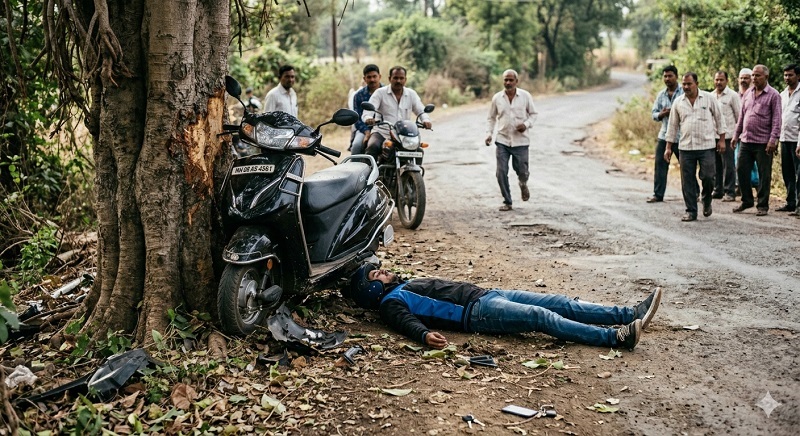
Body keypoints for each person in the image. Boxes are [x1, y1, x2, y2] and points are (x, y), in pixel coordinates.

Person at [345, 263, 663, 351]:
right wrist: (425, 335)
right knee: (543, 317)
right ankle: (616, 338)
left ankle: (630, 314)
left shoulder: (401, 285)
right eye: (377, 273)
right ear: (373, 288)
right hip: (479, 313)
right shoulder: (391, 302)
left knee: (560, 302)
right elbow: (405, 323)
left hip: (490, 294)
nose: (383, 270)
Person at [664, 72, 726, 221]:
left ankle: (706, 199)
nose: (686, 87)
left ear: (696, 84)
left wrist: (722, 140)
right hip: (685, 147)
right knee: (687, 180)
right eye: (684, 84)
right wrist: (668, 147)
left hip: (706, 146)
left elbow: (719, 119)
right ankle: (691, 211)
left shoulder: (708, 99)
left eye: (689, 84)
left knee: (709, 177)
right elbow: (672, 127)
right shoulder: (678, 102)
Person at [484, 69, 538, 212]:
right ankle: (507, 201)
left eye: (510, 80)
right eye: (505, 80)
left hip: (521, 142)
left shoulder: (525, 96)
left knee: (523, 172)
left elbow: (533, 114)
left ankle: (523, 183)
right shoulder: (497, 98)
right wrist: (489, 134)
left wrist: (525, 125)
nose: (508, 83)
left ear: (516, 81)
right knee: (501, 172)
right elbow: (491, 118)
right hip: (502, 141)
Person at [732, 64, 782, 216]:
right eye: (753, 75)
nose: (754, 78)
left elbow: (777, 120)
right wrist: (736, 135)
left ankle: (762, 205)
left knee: (764, 174)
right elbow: (741, 117)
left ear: (766, 77)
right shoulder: (748, 93)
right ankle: (747, 200)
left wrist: (773, 140)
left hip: (763, 143)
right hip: (746, 140)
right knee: (741, 169)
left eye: (757, 75)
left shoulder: (774, 95)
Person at [362, 66, 431, 161]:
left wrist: (425, 120)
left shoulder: (411, 94)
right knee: (372, 147)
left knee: (418, 150)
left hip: (403, 134)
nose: (398, 81)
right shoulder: (380, 93)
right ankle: (370, 174)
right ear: (390, 78)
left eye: (401, 78)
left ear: (405, 80)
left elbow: (421, 110)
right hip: (382, 132)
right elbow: (368, 111)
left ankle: (416, 173)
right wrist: (368, 118)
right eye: (395, 78)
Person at [648, 65, 684, 203]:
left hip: (681, 136)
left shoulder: (683, 92)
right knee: (660, 166)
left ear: (676, 76)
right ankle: (658, 194)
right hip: (664, 135)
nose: (667, 79)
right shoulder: (661, 95)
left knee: (686, 167)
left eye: (670, 76)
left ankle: (695, 193)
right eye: (665, 76)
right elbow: (653, 113)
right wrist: (661, 114)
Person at [711, 71, 741, 202]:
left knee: (728, 165)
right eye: (717, 80)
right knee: (715, 164)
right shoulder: (710, 96)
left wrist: (737, 135)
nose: (718, 82)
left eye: (721, 80)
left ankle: (730, 191)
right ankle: (718, 190)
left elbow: (739, 116)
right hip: (713, 136)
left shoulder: (733, 96)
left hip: (728, 135)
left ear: (727, 81)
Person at [778, 64, 800, 214]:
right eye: (785, 75)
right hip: (784, 139)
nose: (787, 78)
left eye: (790, 75)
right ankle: (790, 202)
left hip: (797, 140)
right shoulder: (782, 94)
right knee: (787, 172)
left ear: (798, 76)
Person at [735, 68, 759, 193]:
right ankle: (741, 187)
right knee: (739, 164)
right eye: (742, 78)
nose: (743, 80)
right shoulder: (735, 96)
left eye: (746, 78)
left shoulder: (754, 94)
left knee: (754, 166)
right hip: (739, 136)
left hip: (755, 137)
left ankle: (756, 186)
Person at [351, 64, 383, 155]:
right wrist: (367, 132)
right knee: (357, 146)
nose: (372, 80)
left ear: (379, 77)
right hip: (364, 129)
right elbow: (357, 118)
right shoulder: (359, 95)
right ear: (364, 79)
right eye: (369, 77)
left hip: (384, 129)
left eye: (374, 76)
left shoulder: (387, 92)